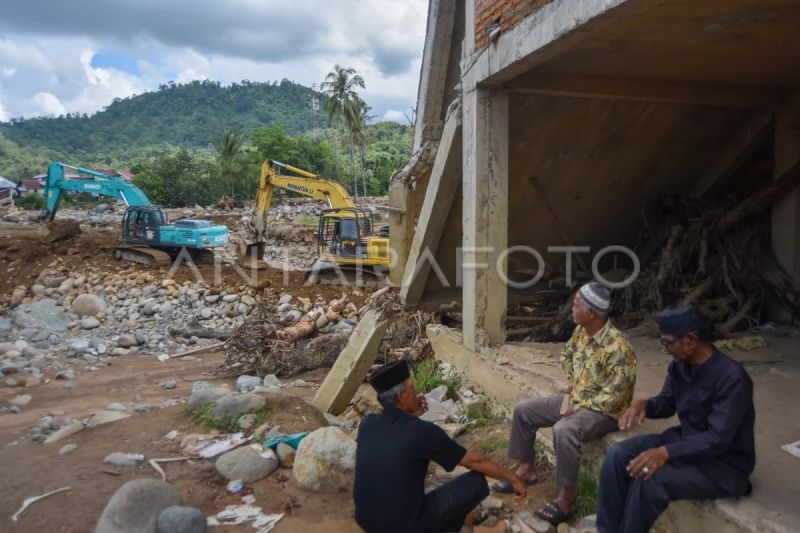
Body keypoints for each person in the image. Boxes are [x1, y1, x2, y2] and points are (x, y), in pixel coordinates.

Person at [596, 305, 755, 533]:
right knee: (617, 455)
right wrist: (644, 405)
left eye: (668, 343)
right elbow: (667, 403)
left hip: (722, 465)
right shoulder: (679, 367)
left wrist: (665, 453)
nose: (666, 350)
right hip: (685, 442)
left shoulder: (732, 378)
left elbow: (717, 438)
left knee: (651, 480)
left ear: (690, 340)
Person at [494, 282, 637, 527]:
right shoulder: (581, 331)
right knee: (524, 410)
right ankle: (527, 469)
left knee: (564, 429)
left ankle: (566, 496)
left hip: (605, 411)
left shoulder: (619, 347)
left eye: (577, 304)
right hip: (579, 399)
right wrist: (576, 380)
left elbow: (616, 397)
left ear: (591, 312)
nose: (572, 308)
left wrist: (581, 405)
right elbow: (567, 354)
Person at [353, 359, 527, 533]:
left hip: (367, 522)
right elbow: (475, 461)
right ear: (401, 396)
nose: (416, 392)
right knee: (475, 482)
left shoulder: (367, 424)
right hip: (406, 529)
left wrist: (410, 414)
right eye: (412, 387)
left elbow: (396, 438)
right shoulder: (422, 432)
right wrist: (513, 478)